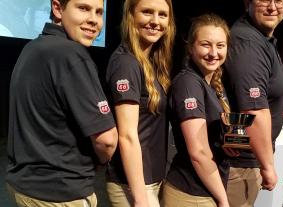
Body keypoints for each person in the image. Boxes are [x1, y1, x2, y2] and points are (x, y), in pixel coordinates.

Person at [6, 0, 118, 206]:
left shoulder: (32, 47)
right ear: (57, 8)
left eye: (99, 12)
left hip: (24, 185)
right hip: (59, 193)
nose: (93, 20)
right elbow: (107, 140)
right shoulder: (71, 55)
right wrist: (102, 161)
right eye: (83, 8)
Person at [104, 0, 175, 206]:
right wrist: (140, 198)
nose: (155, 21)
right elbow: (127, 135)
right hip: (134, 185)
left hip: (151, 179)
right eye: (146, 12)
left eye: (162, 15)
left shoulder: (151, 61)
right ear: (130, 15)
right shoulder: (126, 63)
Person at [161, 13, 231, 207]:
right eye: (206, 44)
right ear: (191, 47)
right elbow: (198, 152)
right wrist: (223, 200)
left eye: (220, 45)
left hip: (206, 189)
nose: (213, 52)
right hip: (191, 194)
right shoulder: (187, 83)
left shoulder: (214, 83)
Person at [223, 0, 283, 206]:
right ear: (247, 3)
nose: (272, 7)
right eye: (263, 0)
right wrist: (268, 166)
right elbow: (254, 110)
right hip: (239, 164)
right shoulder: (248, 41)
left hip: (248, 161)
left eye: (278, 0)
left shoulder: (261, 39)